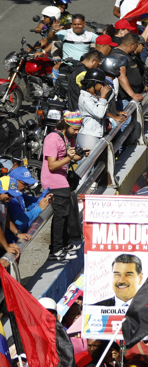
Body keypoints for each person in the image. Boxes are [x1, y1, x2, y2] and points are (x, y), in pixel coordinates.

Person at [44, 111, 85, 261]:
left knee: (66, 214)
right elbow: (52, 165)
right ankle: (55, 250)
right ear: (66, 125)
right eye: (75, 129)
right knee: (60, 216)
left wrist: (81, 154)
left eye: (79, 129)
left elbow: (73, 158)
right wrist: (69, 157)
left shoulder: (69, 137)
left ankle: (65, 244)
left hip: (63, 180)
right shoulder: (52, 138)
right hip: (53, 180)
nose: (77, 132)